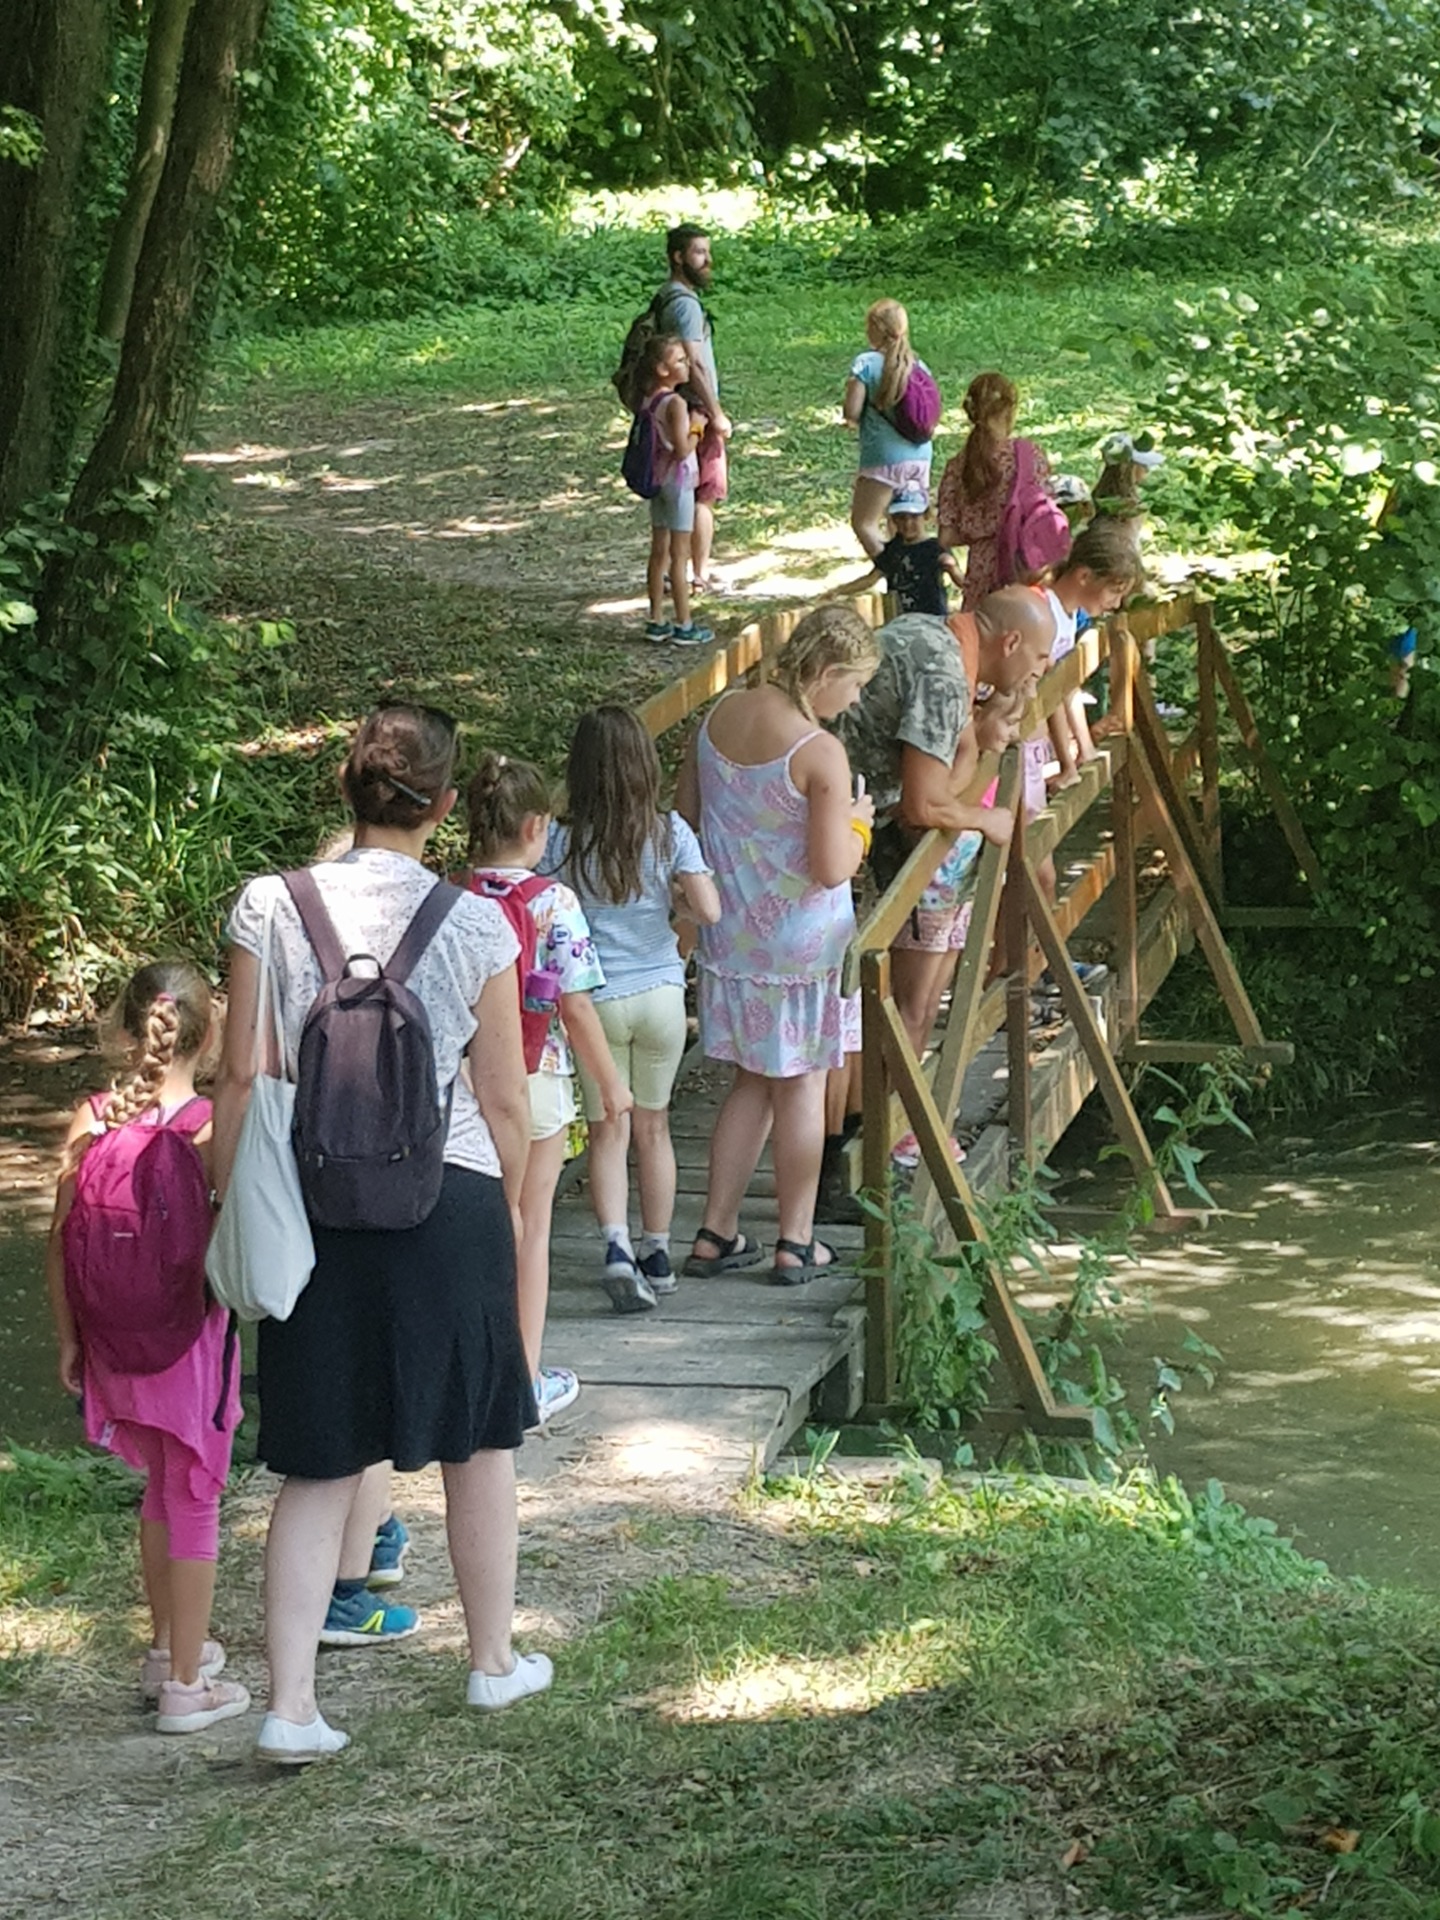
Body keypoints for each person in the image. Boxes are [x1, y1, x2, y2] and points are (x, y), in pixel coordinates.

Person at [213, 704, 548, 1765]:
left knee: (318, 1460)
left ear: (344, 792)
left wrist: (233, 1208)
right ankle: (492, 1661)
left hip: (312, 1204)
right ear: (445, 808)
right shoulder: (477, 924)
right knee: (479, 1441)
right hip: (445, 1196)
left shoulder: (268, 907)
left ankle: (292, 1705)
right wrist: (515, 1214)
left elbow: (241, 1074)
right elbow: (503, 1096)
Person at [45, 962, 249, 1736]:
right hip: (187, 1341)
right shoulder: (203, 1128)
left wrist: (69, 1339)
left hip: (109, 1338)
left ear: (123, 1030)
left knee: (158, 1488)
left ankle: (167, 1650)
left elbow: (60, 1239)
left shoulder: (91, 1116)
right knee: (192, 1493)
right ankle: (188, 1688)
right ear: (208, 1034)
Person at [815, 589, 1058, 1217]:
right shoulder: (947, 674)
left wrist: (981, 736)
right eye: (1035, 657)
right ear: (1007, 642)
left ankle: (860, 1146)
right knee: (882, 1006)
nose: (1038, 670)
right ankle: (859, 1154)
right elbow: (924, 808)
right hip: (846, 841)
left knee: (865, 1005)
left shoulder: (930, 629)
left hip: (838, 828)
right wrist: (988, 823)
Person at [677, 604, 878, 1284]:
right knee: (801, 1088)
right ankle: (795, 1240)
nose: (854, 702)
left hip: (732, 939)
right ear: (825, 673)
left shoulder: (716, 721)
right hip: (804, 950)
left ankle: (717, 1230)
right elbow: (830, 867)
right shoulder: (818, 752)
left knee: (750, 1085)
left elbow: (688, 823)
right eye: (853, 685)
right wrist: (860, 825)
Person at [461, 753, 633, 1411]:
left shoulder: (451, 895)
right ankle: (524, 1379)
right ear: (538, 826)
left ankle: (470, 1373)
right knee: (530, 1228)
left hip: (467, 1083)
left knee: (480, 1226)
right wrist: (611, 1085)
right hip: (540, 1077)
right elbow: (576, 1004)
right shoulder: (554, 902)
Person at [544, 706, 721, 1311]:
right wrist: (675, 915)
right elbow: (710, 910)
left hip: (594, 1003)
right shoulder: (671, 833)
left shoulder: (560, 841)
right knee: (655, 1127)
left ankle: (616, 1246)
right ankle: (658, 1250)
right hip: (661, 997)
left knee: (606, 1132)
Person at [654, 223, 730, 594]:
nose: (707, 260)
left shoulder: (667, 296)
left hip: (678, 408)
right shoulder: (683, 304)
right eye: (699, 252)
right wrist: (715, 413)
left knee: (678, 493)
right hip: (695, 410)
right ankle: (696, 574)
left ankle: (678, 570)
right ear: (678, 257)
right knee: (703, 493)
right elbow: (695, 363)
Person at [936, 373, 1053, 608]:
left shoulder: (957, 466)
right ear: (1010, 410)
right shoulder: (1029, 456)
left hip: (979, 575)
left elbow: (946, 536)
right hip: (1021, 569)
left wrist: (981, 534)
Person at [1045, 515, 1142, 789]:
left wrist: (1085, 750)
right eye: (1114, 591)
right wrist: (1067, 763)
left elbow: (1067, 686)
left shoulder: (1071, 615)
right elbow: (1051, 685)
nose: (1116, 603)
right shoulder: (1045, 613)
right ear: (1085, 576)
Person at [632, 333, 713, 648]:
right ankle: (684, 623)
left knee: (659, 551)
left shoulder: (649, 399)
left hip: (658, 480)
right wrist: (697, 426)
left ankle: (656, 619)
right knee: (679, 556)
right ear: (662, 369)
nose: (687, 364)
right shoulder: (676, 403)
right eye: (680, 360)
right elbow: (682, 449)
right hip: (678, 483)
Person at [843, 299, 935, 561]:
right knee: (904, 523)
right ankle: (917, 573)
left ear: (875, 329)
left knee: (865, 523)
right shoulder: (918, 365)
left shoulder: (865, 363)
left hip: (883, 458)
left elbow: (852, 410)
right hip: (920, 455)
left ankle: (895, 571)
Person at [847, 486, 964, 616]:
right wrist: (838, 591)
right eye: (901, 518)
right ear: (894, 520)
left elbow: (961, 582)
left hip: (931, 619)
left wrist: (952, 568)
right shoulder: (893, 549)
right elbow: (872, 578)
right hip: (900, 619)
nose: (907, 523)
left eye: (914, 517)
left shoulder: (936, 547)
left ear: (926, 516)